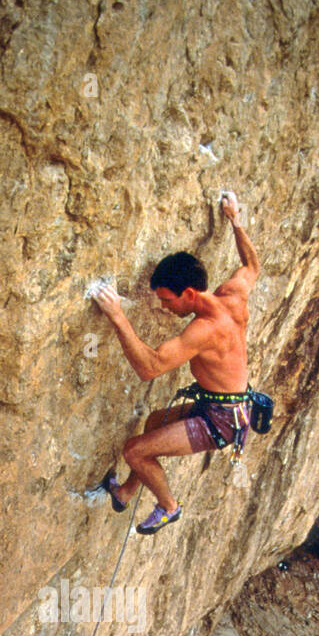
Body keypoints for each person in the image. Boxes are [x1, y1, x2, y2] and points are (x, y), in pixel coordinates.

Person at [91, 191, 260, 534]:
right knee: (154, 422)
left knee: (135, 451)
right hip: (227, 405)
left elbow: (149, 367)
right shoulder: (233, 295)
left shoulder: (205, 330)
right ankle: (125, 492)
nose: (164, 306)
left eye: (167, 300)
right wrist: (235, 221)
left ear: (189, 294)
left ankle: (169, 507)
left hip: (222, 420)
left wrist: (118, 317)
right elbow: (252, 266)